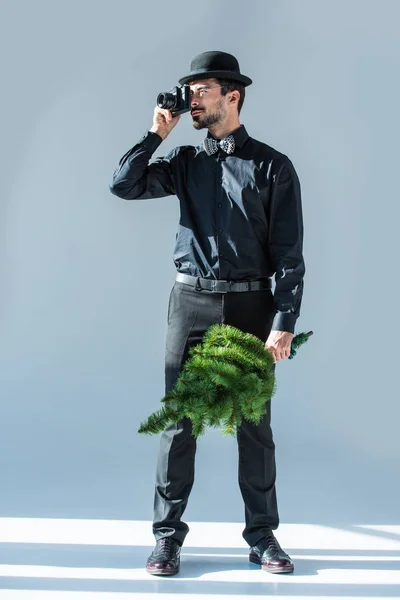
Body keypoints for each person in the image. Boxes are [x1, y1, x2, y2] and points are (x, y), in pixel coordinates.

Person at [109, 50, 305, 576]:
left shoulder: (272, 166)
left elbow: (289, 254)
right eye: (188, 91)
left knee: (253, 425)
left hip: (250, 304)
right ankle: (166, 539)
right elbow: (123, 185)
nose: (191, 99)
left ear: (232, 95)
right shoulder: (185, 163)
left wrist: (283, 323)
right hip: (190, 302)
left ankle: (263, 538)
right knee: (179, 423)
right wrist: (157, 133)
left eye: (201, 90)